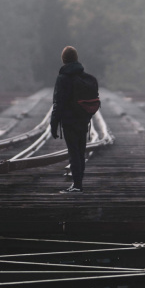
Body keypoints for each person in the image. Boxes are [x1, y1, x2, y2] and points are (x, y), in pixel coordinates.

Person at [51, 46, 91, 193]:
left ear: (64, 59)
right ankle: (79, 183)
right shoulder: (84, 77)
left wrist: (53, 124)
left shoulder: (62, 79)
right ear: (76, 58)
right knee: (80, 152)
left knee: (73, 153)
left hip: (69, 121)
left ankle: (77, 185)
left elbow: (58, 103)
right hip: (83, 120)